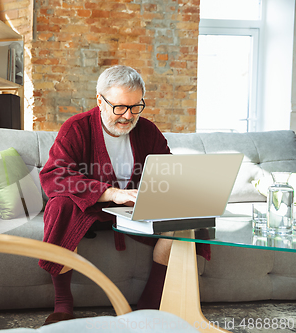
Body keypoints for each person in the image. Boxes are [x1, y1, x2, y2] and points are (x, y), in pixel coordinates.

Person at [38, 65, 209, 325]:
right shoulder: (76, 128)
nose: (127, 116)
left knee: (181, 215)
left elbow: (167, 171)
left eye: (135, 107)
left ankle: (150, 304)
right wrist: (109, 193)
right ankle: (63, 304)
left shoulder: (148, 131)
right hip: (91, 209)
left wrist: (168, 190)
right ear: (100, 101)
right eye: (119, 107)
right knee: (60, 205)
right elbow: (54, 175)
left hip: (133, 210)